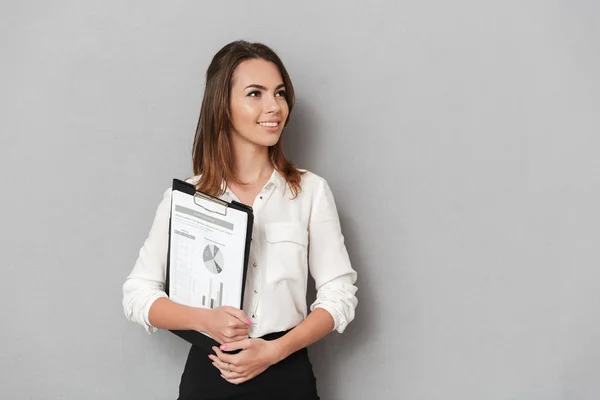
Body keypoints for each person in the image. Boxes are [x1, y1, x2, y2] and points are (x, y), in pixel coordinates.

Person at [122, 40, 358, 400]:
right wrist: (203, 321)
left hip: (287, 374)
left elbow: (339, 295)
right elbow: (138, 293)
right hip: (211, 372)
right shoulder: (187, 197)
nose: (273, 107)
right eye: (255, 93)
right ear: (223, 106)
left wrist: (275, 352)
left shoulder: (310, 191)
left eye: (279, 93)